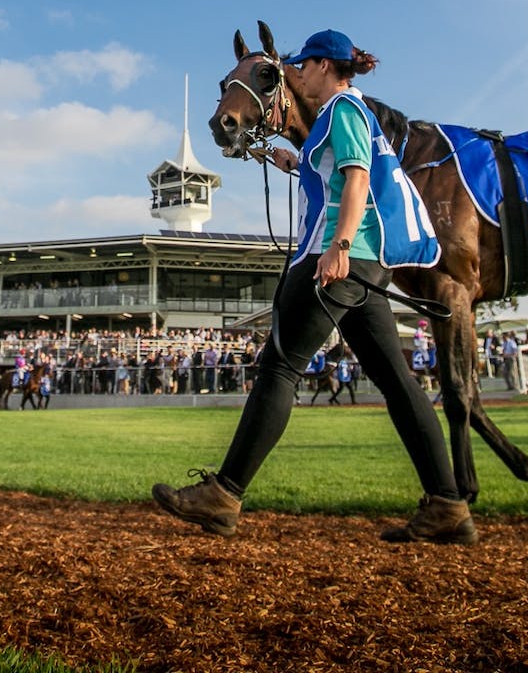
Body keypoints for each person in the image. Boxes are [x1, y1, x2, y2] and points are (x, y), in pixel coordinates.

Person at [153, 29, 475, 544]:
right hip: (367, 266)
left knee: (280, 367)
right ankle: (449, 506)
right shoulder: (346, 115)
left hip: (338, 258)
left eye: (303, 65)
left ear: (326, 67)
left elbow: (356, 179)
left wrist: (339, 247)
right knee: (396, 381)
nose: (296, 72)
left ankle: (223, 496)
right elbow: (335, 172)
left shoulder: (342, 110)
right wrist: (292, 162)